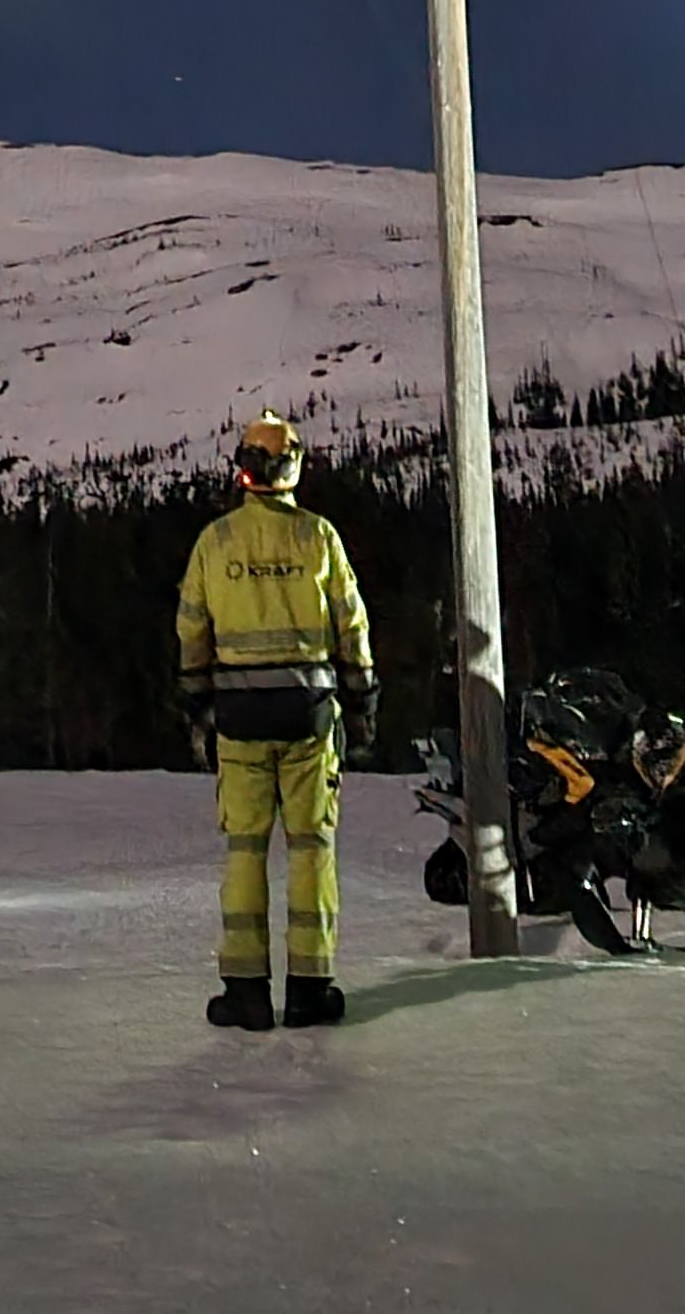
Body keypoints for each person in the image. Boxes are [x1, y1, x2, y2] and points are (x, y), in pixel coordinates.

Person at [174, 409, 377, 1030]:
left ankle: (246, 992)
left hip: (239, 720)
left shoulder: (216, 542)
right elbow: (351, 624)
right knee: (312, 848)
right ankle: (311, 990)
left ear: (245, 468)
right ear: (292, 468)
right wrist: (362, 700)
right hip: (309, 719)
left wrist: (197, 705)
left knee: (245, 850)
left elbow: (191, 629)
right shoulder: (318, 537)